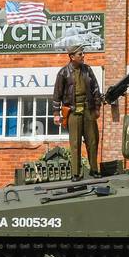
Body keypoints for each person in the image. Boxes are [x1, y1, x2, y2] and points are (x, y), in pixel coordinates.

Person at [52, 46, 102, 180]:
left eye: (83, 53)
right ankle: (76, 173)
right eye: (80, 54)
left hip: (88, 110)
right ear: (72, 57)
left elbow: (96, 90)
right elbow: (57, 94)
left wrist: (97, 108)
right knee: (75, 143)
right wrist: (56, 113)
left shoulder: (88, 70)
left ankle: (94, 170)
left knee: (92, 140)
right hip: (73, 112)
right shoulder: (63, 73)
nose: (83, 56)